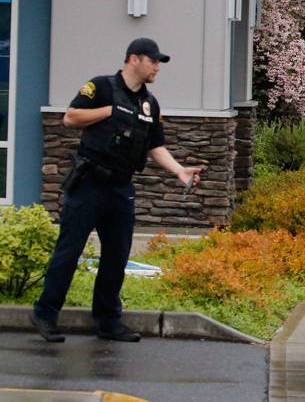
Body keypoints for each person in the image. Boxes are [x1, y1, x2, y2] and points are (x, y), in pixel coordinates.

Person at [30, 38, 203, 343]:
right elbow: (70, 117)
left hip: (121, 188)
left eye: (159, 62)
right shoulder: (101, 87)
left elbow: (154, 146)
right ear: (134, 59)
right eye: (153, 61)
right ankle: (45, 314)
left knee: (116, 256)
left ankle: (108, 321)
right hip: (89, 184)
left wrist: (178, 170)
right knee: (69, 252)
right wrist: (110, 111)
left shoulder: (150, 103)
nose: (157, 67)